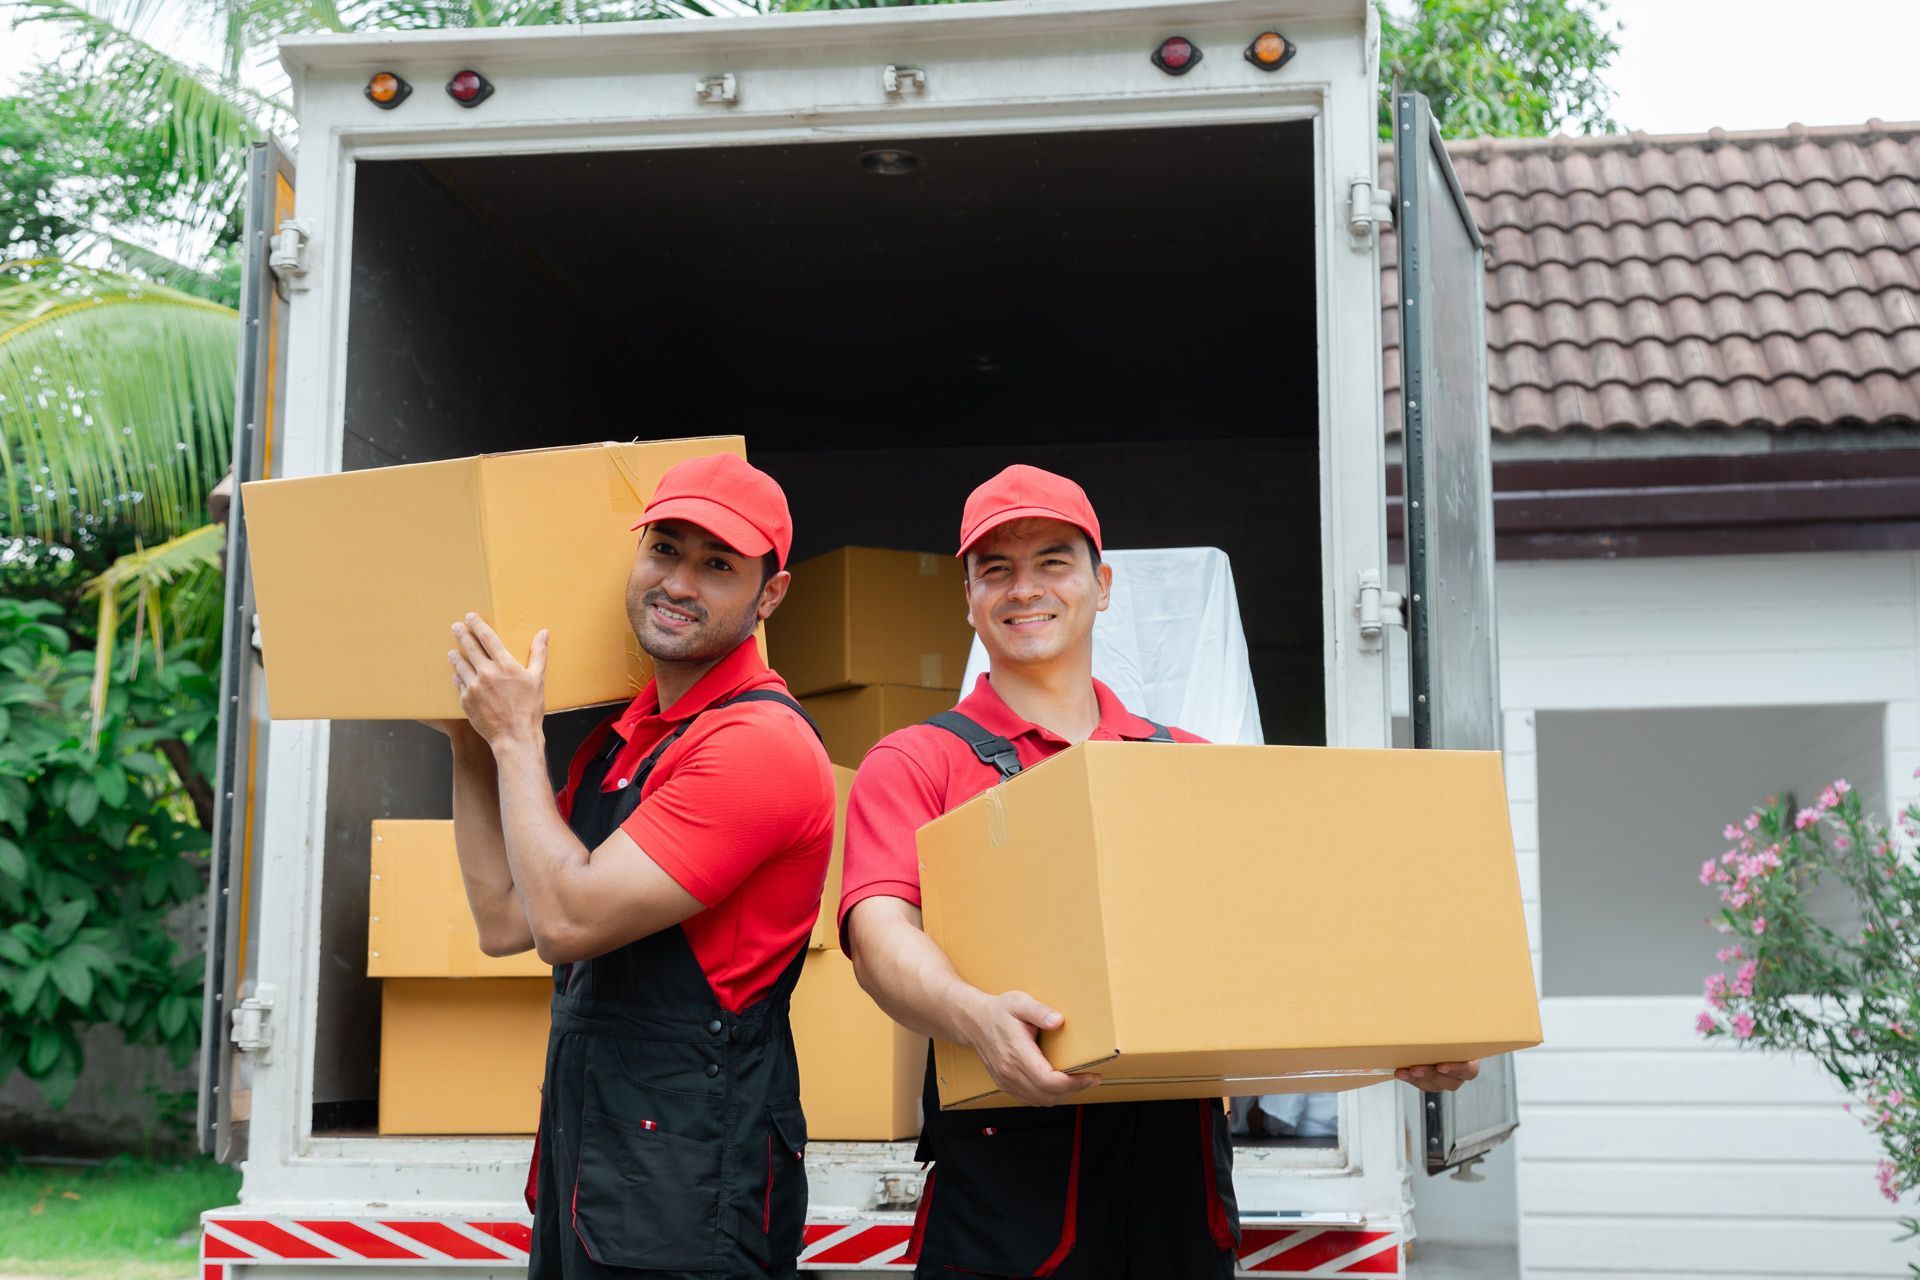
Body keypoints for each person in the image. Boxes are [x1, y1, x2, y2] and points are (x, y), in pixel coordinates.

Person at [838, 464, 1481, 1279]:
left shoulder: (1185, 765)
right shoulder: (918, 761)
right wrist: (973, 1017)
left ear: (1103, 586)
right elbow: (878, 933)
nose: (1023, 588)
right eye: (994, 569)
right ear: (967, 599)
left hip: (1180, 1188)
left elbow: (1277, 952)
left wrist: (1409, 1034)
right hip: (1005, 1193)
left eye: (1052, 562)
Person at [426, 453, 835, 1280]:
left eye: (718, 565)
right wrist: (471, 747)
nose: (679, 582)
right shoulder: (624, 740)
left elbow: (568, 921)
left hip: (691, 1187)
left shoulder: (759, 746)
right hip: (599, 1162)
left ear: (770, 594)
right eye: (664, 550)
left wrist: (514, 738)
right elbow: (505, 921)